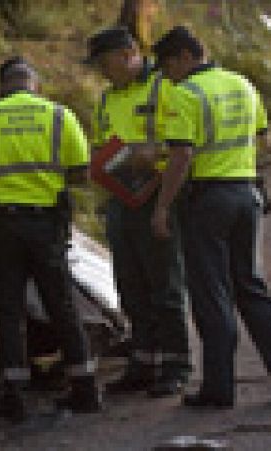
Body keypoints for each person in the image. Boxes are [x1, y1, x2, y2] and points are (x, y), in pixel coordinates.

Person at [151, 26, 271, 408]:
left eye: (168, 66)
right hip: (246, 194)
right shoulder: (242, 83)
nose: (167, 75)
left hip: (209, 201)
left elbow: (181, 156)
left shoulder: (187, 94)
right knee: (251, 286)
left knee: (212, 294)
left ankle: (219, 388)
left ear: (185, 56)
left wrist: (163, 206)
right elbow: (263, 138)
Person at [0, 56, 101, 422]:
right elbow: (81, 172)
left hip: (3, 228)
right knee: (61, 305)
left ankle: (13, 396)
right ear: (34, 84)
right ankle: (85, 389)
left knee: (9, 309)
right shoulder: (60, 116)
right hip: (46, 226)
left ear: (2, 85)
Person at [84, 26, 192, 398]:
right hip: (121, 199)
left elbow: (187, 141)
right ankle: (144, 363)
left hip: (159, 195)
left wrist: (156, 151)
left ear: (129, 52)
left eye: (104, 62)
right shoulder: (106, 100)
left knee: (165, 284)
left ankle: (177, 365)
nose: (101, 71)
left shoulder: (165, 86)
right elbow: (102, 146)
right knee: (130, 284)